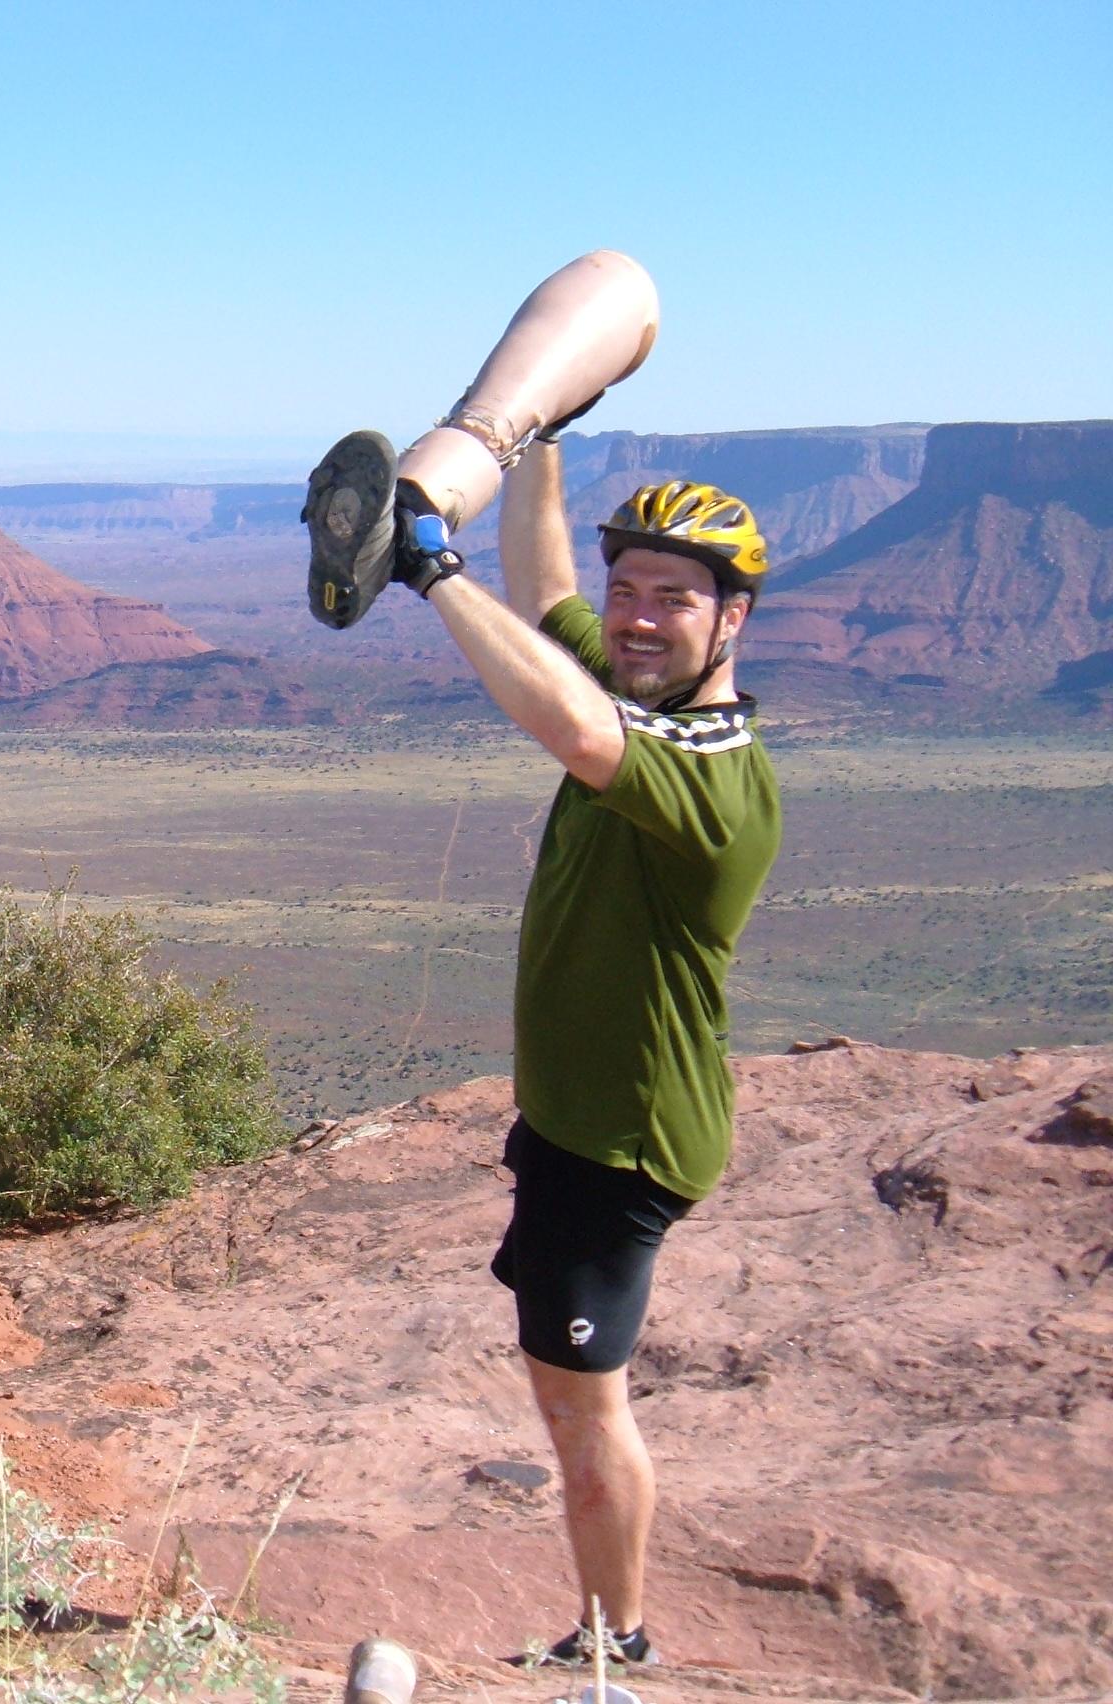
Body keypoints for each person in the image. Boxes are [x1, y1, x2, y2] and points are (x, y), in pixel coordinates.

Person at [385, 418, 781, 1666]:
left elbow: (568, 730)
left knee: (578, 1407)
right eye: (630, 593)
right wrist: (528, 442)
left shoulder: (705, 777)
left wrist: (431, 568)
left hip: (620, 1150)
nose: (638, 617)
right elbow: (547, 592)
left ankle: (616, 1648)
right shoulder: (625, 684)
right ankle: (613, 1634)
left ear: (734, 622)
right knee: (562, 1389)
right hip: (573, 1126)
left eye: (675, 598)